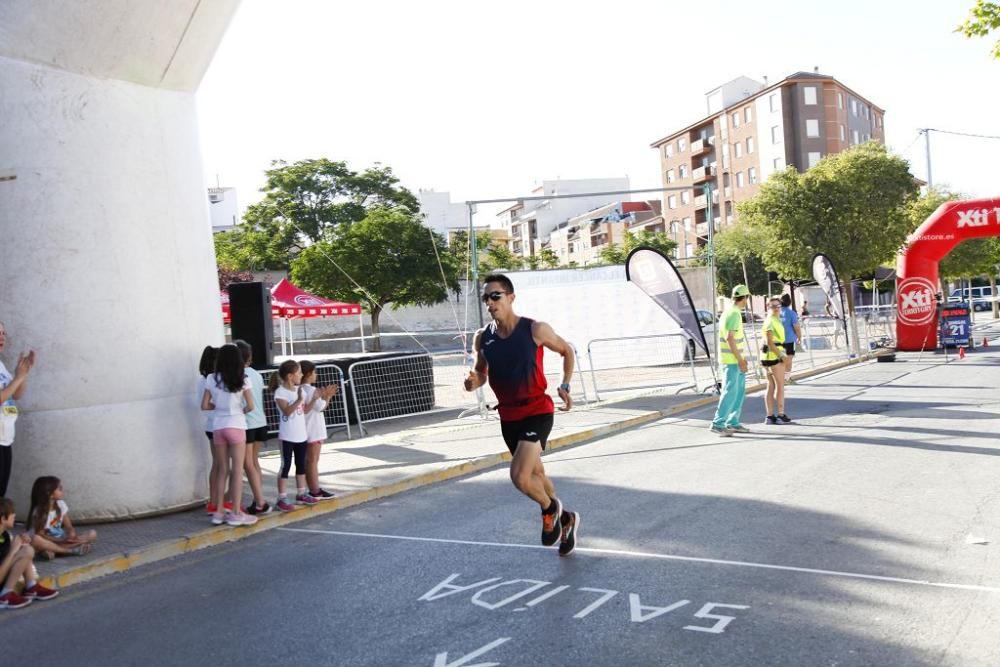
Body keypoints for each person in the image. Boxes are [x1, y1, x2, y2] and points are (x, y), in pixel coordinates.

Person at [463, 274, 580, 557]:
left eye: (495, 296)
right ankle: (566, 519)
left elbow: (566, 350)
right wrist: (473, 382)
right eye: (486, 298)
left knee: (519, 476)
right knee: (536, 474)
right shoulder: (483, 337)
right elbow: (481, 372)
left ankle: (549, 509)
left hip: (537, 411)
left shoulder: (534, 329)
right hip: (509, 417)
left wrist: (564, 385)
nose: (490, 303)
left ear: (511, 297)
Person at [201, 344, 257, 527]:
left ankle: (217, 512)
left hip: (218, 426)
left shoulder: (211, 378)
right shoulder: (244, 379)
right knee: (237, 470)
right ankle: (235, 513)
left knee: (221, 469)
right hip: (237, 425)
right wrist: (239, 410)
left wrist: (218, 408)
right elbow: (250, 406)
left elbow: (204, 405)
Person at [268, 360, 317, 512]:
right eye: (299, 373)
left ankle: (301, 492)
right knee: (286, 465)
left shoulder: (298, 390)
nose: (301, 375)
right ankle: (281, 497)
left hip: (301, 435)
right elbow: (287, 411)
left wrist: (314, 399)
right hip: (287, 436)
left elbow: (304, 410)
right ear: (290, 376)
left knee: (300, 464)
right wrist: (299, 399)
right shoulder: (280, 392)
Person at [0, 498, 58, 609]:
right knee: (23, 550)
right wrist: (13, 550)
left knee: (26, 549)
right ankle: (5, 596)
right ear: (3, 518)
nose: (15, 515)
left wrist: (21, 544)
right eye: (12, 513)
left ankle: (31, 586)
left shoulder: (5, 536)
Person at [234, 340, 270, 516]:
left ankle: (259, 501)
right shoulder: (256, 374)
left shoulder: (239, 375)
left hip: (247, 422)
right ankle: (258, 498)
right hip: (260, 422)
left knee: (247, 463)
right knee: (254, 462)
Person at [710, 285, 752, 437]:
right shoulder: (734, 314)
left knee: (738, 393)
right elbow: (730, 338)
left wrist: (742, 358)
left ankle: (732, 422)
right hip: (732, 361)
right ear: (745, 298)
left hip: (733, 360)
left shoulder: (729, 312)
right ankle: (718, 423)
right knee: (730, 393)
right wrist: (740, 360)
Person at [0, 322, 35, 498]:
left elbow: (16, 395)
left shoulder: (0, 365)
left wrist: (22, 374)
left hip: (5, 436)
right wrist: (18, 378)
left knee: (2, 489)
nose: (2, 337)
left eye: (4, 333)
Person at [26, 476, 98, 558]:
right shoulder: (39, 511)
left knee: (92, 534)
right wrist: (61, 540)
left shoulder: (61, 504)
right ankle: (69, 550)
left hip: (61, 540)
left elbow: (69, 526)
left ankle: (54, 550)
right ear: (49, 493)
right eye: (59, 489)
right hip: (48, 540)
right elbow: (41, 535)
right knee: (36, 539)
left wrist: (71, 534)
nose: (62, 491)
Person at [198, 346, 232, 516]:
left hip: (213, 426)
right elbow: (207, 406)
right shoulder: (211, 381)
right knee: (222, 466)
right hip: (217, 424)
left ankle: (215, 502)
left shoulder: (206, 380)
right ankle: (217, 503)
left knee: (218, 465)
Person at [299, 361, 338, 501]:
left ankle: (313, 488)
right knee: (312, 461)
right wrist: (328, 396)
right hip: (313, 431)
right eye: (314, 372)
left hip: (306, 430)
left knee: (309, 461)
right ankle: (315, 490)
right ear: (309, 374)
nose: (316, 375)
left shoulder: (301, 390)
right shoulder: (310, 390)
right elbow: (321, 407)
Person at [762, 298, 790, 424]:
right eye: (773, 306)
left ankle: (769, 416)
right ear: (768, 307)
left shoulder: (775, 320)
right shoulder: (770, 321)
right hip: (774, 355)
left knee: (771, 386)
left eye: (778, 306)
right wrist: (782, 356)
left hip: (767, 356)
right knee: (780, 385)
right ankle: (780, 414)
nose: (776, 308)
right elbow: (769, 342)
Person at [778, 294, 802, 378]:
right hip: (789, 340)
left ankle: (780, 378)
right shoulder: (791, 313)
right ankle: (787, 378)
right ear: (789, 302)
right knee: (789, 360)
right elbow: (797, 327)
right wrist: (799, 337)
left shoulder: (777, 313)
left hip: (778, 341)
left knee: (780, 361)